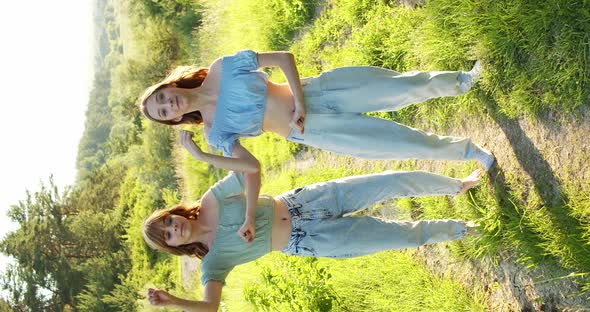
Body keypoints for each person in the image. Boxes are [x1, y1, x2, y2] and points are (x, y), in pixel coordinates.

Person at [138, 50, 494, 243]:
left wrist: (300, 100)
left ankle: (462, 81)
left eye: (163, 99)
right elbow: (251, 170)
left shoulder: (220, 69)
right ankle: (469, 151)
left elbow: (282, 58)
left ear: (168, 87)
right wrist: (202, 155)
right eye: (164, 112)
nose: (170, 105)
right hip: (312, 130)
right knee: (398, 142)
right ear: (172, 121)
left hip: (317, 92)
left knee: (397, 86)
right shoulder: (216, 133)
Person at [143, 168, 484, 310]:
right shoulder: (213, 261)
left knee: (389, 182)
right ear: (172, 247)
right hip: (311, 240)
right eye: (169, 236)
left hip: (303, 201)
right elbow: (210, 307)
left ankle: (458, 185)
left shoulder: (211, 201)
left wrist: (248, 215)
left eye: (170, 222)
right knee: (398, 236)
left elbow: (250, 170)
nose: (175, 230)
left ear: (175, 213)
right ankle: (464, 228)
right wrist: (172, 300)